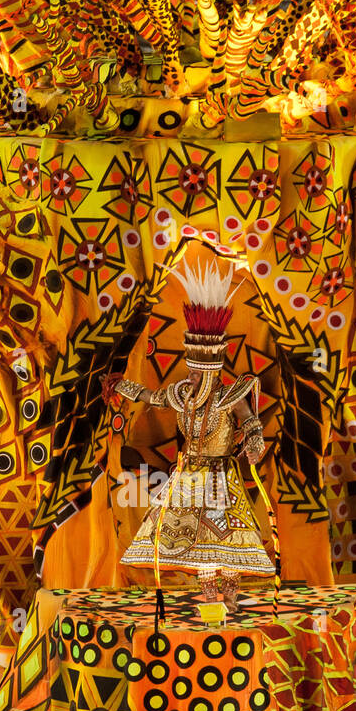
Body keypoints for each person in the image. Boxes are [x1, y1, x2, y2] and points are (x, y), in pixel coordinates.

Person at [103, 259, 272, 612]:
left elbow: (252, 423)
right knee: (195, 544)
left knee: (226, 538)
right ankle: (210, 599)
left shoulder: (230, 396)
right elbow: (153, 397)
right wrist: (121, 386)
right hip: (188, 476)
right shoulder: (181, 395)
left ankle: (230, 596)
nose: (191, 377)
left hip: (221, 478)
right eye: (191, 371)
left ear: (212, 372)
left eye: (198, 374)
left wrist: (255, 443)